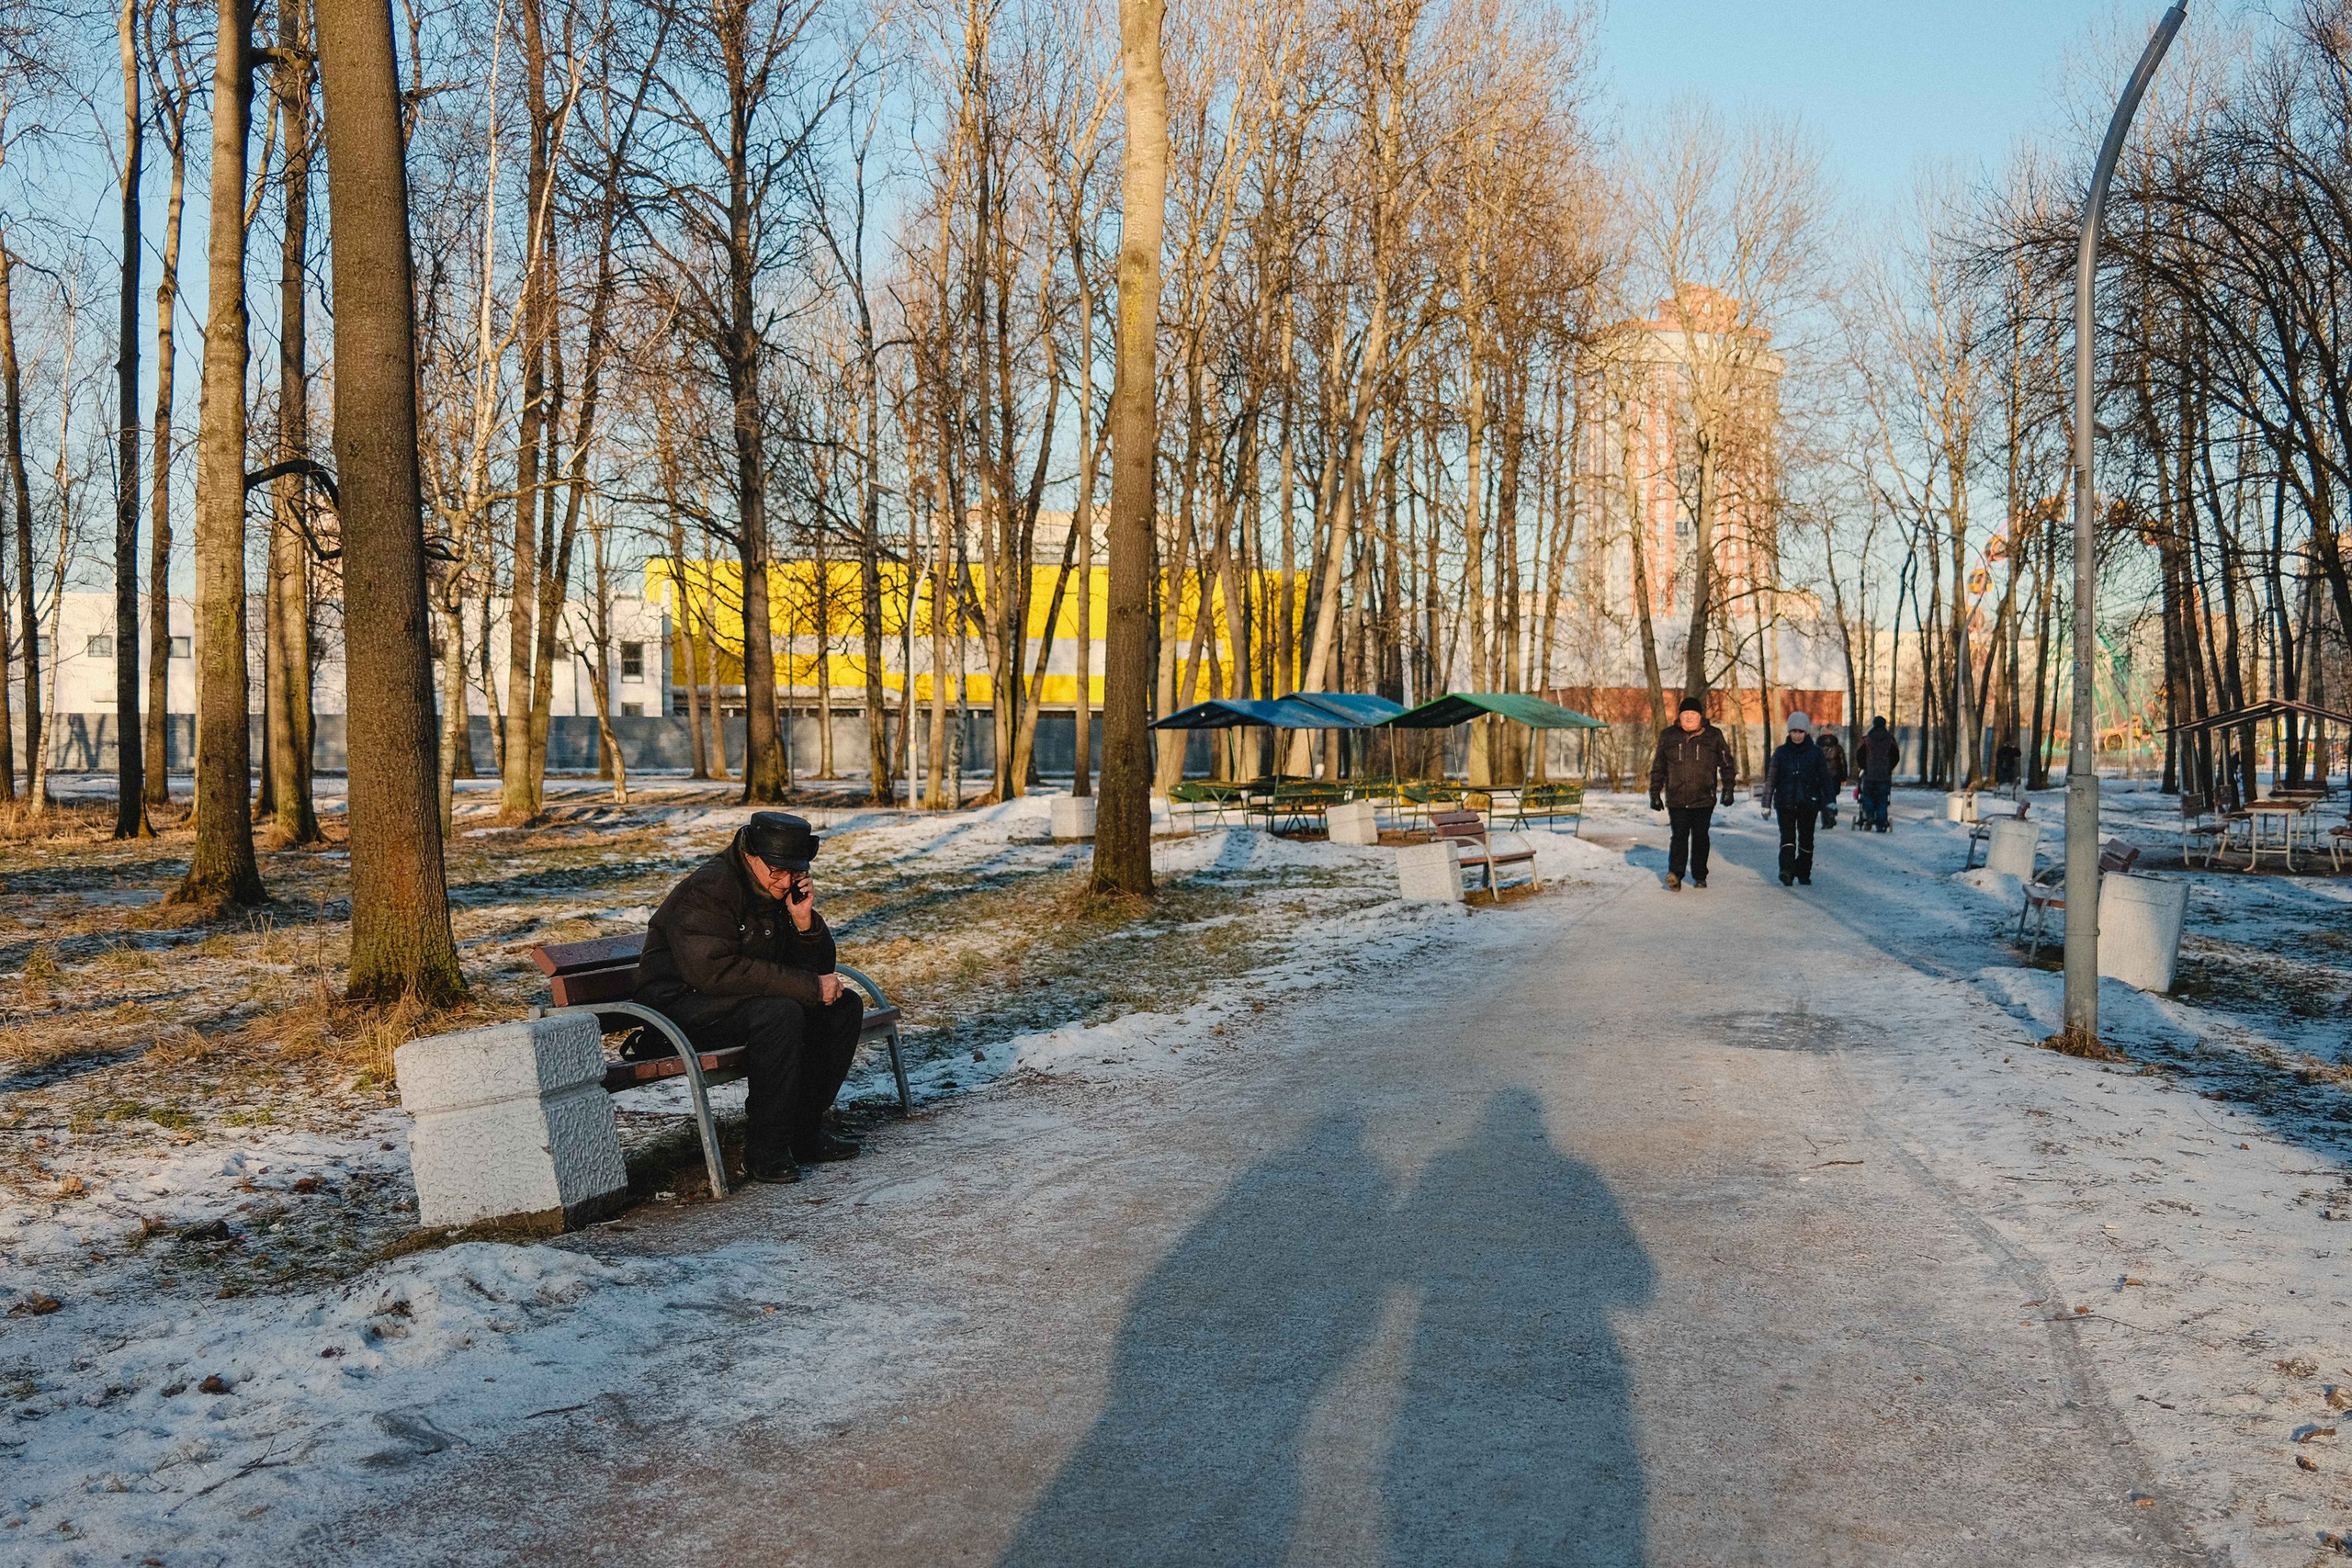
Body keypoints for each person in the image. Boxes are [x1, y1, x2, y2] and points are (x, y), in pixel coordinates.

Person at [633, 811, 865, 1184]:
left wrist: (804, 923)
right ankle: (766, 1150)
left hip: (732, 1001)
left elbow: (816, 972)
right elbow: (711, 971)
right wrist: (807, 988)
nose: (786, 881)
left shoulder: (775, 889)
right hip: (679, 1011)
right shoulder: (711, 888)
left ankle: (804, 1133)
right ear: (751, 855)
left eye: (794, 872)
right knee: (780, 1014)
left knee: (842, 1007)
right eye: (777, 871)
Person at [1648, 696, 1736, 890]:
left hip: (1703, 797)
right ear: (1679, 716)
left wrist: (1729, 789)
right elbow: (1659, 767)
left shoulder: (1713, 736)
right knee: (1679, 836)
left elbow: (1727, 764)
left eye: (1693, 714)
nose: (1689, 718)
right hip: (1677, 797)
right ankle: (1676, 875)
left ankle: (1699, 875)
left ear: (1700, 716)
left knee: (1700, 837)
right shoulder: (1668, 736)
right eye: (1685, 714)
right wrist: (1654, 793)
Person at [1760, 711, 1832, 886]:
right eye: (1794, 731)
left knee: (1807, 839)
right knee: (1787, 838)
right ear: (1789, 732)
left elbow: (1825, 779)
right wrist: (1766, 803)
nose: (1797, 735)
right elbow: (1771, 779)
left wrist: (1830, 801)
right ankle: (1786, 870)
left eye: (1800, 732)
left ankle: (1803, 871)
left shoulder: (1815, 753)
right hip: (1785, 803)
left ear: (1806, 732)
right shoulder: (1781, 753)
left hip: (1809, 803)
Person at [1855, 715, 1899, 832]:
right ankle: (1881, 822)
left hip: (1869, 775)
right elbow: (1896, 757)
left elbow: (1859, 756)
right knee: (1882, 799)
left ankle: (1869, 817)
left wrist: (1865, 767)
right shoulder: (1890, 740)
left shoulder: (1866, 739)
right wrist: (1889, 768)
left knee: (1867, 796)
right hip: (1884, 775)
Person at [1815, 728, 1849, 830]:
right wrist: (1843, 776)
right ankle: (1831, 814)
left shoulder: (1817, 747)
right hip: (1834, 776)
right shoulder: (1837, 747)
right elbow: (1842, 763)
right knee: (1831, 795)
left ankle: (1826, 821)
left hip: (1821, 776)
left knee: (1823, 797)